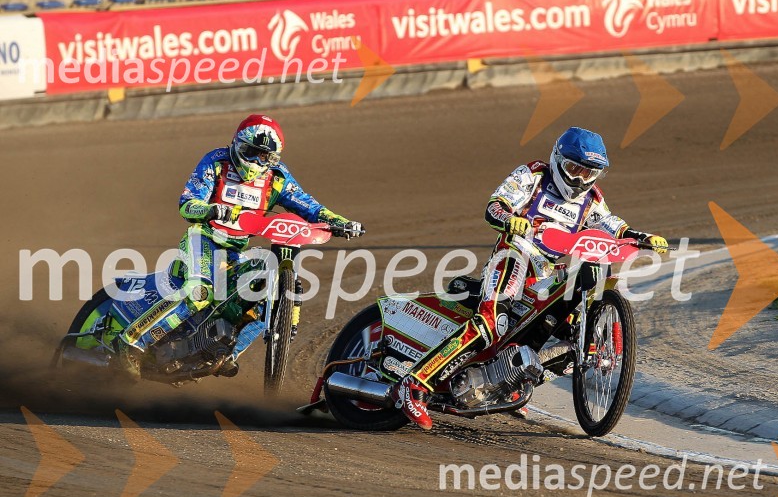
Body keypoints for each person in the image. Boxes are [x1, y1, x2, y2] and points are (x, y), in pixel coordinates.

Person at [392, 126, 668, 430]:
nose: (579, 180)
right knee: (491, 324)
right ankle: (414, 383)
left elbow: (611, 225)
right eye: (574, 169)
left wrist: (641, 237)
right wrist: (511, 220)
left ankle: (511, 384)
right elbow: (495, 206)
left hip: (546, 271)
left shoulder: (592, 198)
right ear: (558, 159)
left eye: (589, 173)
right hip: (513, 256)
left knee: (571, 332)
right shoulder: (533, 175)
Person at [117, 114, 363, 377]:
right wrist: (213, 210)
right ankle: (132, 341)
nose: (257, 162)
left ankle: (224, 353)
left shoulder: (277, 178)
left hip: (237, 250)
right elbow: (188, 203)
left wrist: (340, 222)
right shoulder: (217, 162)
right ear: (236, 144)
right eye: (251, 153)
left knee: (262, 294)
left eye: (265, 157)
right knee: (199, 292)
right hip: (205, 237)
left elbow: (309, 206)